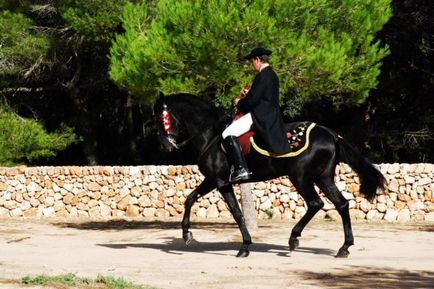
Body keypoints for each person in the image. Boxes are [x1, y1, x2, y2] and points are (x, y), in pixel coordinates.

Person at [222, 47, 289, 183]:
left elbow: (252, 102)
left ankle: (241, 169)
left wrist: (239, 102)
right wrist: (247, 96)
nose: (252, 65)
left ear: (257, 59)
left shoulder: (262, 76)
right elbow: (261, 97)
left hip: (260, 116)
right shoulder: (272, 75)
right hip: (271, 115)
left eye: (252, 61)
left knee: (227, 133)